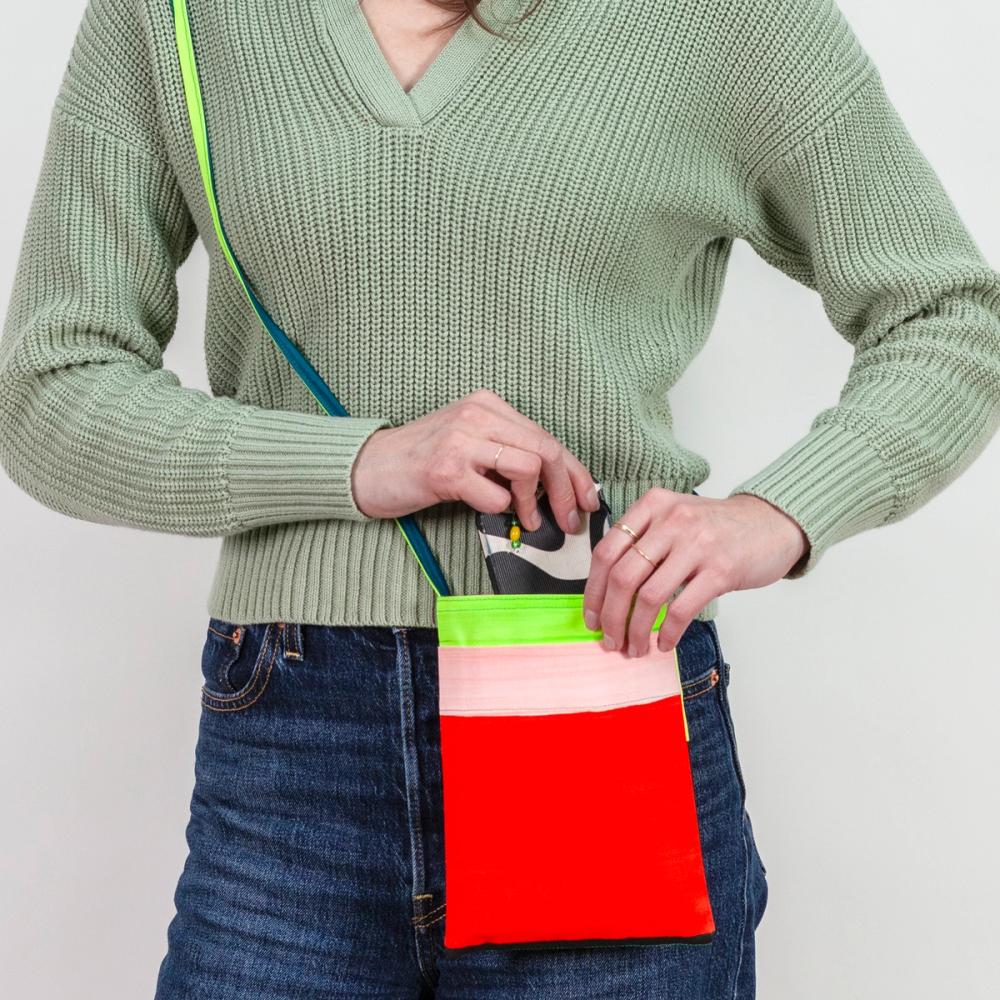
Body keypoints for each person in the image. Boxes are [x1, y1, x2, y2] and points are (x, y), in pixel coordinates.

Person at [1, 0, 997, 996]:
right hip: (289, 735)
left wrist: (780, 515)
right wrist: (363, 461)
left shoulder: (726, 19)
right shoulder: (174, 16)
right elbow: (51, 384)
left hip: (597, 689)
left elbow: (951, 315)